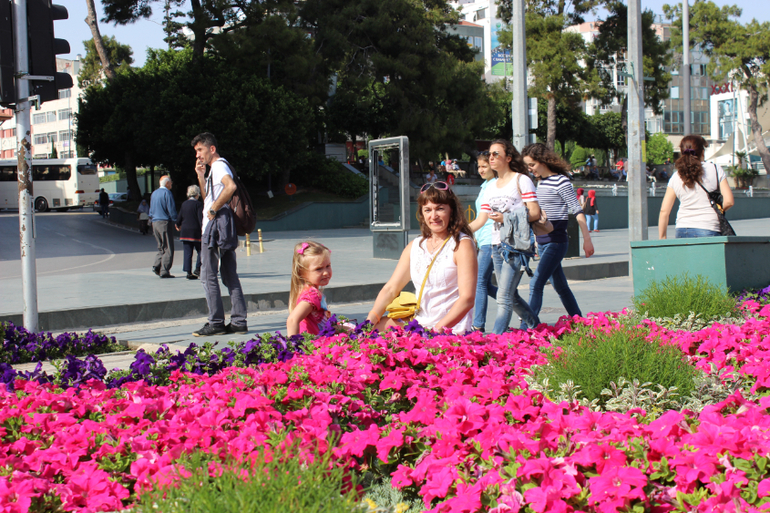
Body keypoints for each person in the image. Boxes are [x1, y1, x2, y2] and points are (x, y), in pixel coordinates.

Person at [366, 182, 477, 334]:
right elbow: (391, 289)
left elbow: (467, 299)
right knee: (373, 329)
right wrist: (370, 320)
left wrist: (435, 331)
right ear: (422, 214)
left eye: (440, 209)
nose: (434, 216)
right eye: (428, 210)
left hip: (448, 330)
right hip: (418, 325)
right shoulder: (416, 245)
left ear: (452, 210)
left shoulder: (461, 245)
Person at [468, 139, 540, 334]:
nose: (491, 157)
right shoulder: (491, 187)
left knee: (503, 297)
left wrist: (505, 217)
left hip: (515, 246)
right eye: (490, 154)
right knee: (510, 295)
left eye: (495, 154)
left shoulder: (521, 180)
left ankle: (495, 340)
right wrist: (459, 231)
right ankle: (536, 326)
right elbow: (481, 219)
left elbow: (534, 212)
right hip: (496, 246)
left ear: (508, 158)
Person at [520, 143, 595, 327]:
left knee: (536, 283)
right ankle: (579, 322)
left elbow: (577, 211)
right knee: (561, 287)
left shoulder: (561, 181)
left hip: (556, 241)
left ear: (543, 161)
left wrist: (587, 240)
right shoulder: (540, 182)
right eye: (527, 166)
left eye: (532, 165)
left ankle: (526, 329)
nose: (530, 170)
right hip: (544, 241)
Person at [191, 132, 248, 336]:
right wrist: (200, 176)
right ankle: (239, 321)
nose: (197, 155)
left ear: (211, 149)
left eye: (200, 150)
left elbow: (230, 187)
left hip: (214, 228)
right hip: (224, 228)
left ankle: (215, 322)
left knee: (208, 276)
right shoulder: (213, 169)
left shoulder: (219, 165)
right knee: (229, 274)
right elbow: (208, 198)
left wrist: (214, 210)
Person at [658, 135, 735, 239]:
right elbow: (729, 201)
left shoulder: (676, 176)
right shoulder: (715, 169)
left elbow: (664, 211)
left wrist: (662, 237)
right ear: (702, 152)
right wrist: (718, 210)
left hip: (682, 229)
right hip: (708, 228)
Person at [470, 151, 497, 332]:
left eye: (484, 166)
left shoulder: (495, 185)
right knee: (485, 284)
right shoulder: (485, 185)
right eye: (479, 166)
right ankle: (518, 305)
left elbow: (485, 218)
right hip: (482, 239)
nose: (480, 170)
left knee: (478, 281)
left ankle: (478, 325)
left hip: (491, 239)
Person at [286, 241, 333, 336]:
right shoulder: (312, 295)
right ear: (302, 272)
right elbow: (292, 320)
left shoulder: (308, 290)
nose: (325, 273)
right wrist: (293, 346)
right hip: (312, 345)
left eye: (328, 266)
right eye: (318, 269)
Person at [149, 175, 177, 278]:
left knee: (161, 246)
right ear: (167, 183)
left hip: (155, 222)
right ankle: (164, 270)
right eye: (171, 183)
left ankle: (156, 265)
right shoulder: (167, 193)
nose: (171, 184)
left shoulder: (154, 193)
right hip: (164, 222)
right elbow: (171, 209)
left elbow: (151, 210)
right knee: (168, 247)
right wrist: (176, 221)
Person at [176, 185, 203, 280]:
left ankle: (188, 271)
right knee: (201, 250)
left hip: (185, 231)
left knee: (187, 252)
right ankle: (197, 269)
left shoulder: (184, 204)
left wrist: (178, 224)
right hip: (196, 232)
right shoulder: (198, 205)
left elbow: (180, 216)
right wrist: (203, 228)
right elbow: (200, 218)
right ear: (197, 194)